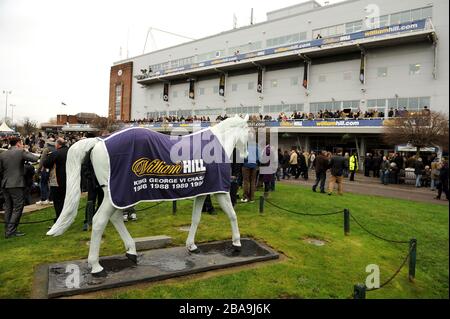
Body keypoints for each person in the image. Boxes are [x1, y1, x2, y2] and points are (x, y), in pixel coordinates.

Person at [0, 137, 39, 238]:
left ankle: (8, 230)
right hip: (16, 183)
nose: (22, 145)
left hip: (5, 184)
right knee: (18, 207)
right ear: (18, 144)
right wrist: (25, 150)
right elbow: (35, 158)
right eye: (21, 143)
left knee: (8, 207)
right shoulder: (20, 151)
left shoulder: (3, 154)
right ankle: (10, 231)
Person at [43, 138, 69, 223]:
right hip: (69, 179)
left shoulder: (56, 153)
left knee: (58, 201)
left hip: (58, 180)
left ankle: (59, 219)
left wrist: (48, 156)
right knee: (66, 200)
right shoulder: (70, 151)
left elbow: (46, 163)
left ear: (58, 144)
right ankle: (65, 218)